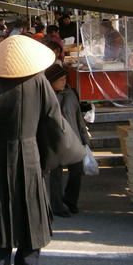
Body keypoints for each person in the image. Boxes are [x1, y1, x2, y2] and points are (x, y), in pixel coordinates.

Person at [0, 36, 85, 265]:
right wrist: (53, 155)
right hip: (32, 158)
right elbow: (54, 123)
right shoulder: (40, 82)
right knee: (31, 213)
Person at [44, 63, 91, 217]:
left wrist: (84, 139)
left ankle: (70, 200)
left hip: (74, 139)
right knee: (56, 175)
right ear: (51, 81)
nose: (64, 82)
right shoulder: (45, 96)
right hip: (55, 140)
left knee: (77, 170)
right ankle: (57, 206)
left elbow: (79, 118)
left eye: (65, 79)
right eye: (60, 80)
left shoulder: (71, 94)